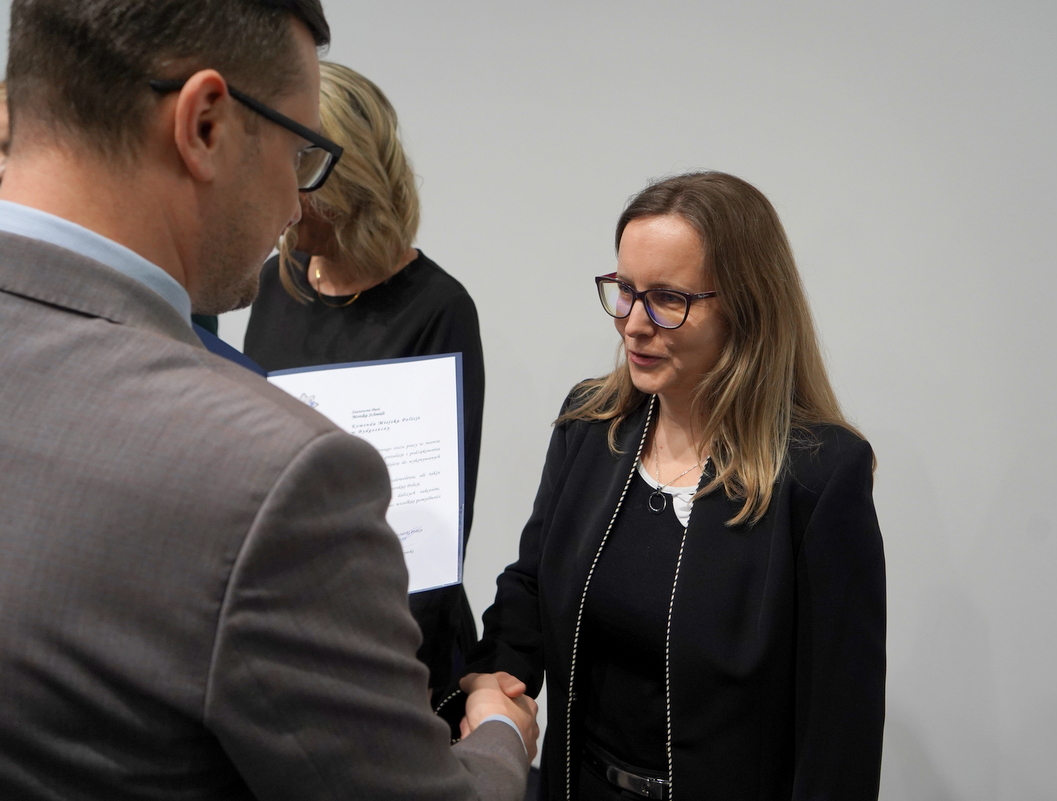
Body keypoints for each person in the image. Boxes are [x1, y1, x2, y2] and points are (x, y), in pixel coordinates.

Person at [0, 1, 536, 799]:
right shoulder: (283, 480)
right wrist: (500, 734)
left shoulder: (432, 308)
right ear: (205, 126)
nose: (293, 204)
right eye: (299, 152)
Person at [458, 172, 886, 800]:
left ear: (746, 306)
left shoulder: (819, 476)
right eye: (625, 291)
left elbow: (838, 732)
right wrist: (494, 679)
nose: (634, 323)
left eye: (667, 299)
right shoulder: (591, 425)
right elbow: (532, 582)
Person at [244, 62, 485, 701]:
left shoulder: (438, 309)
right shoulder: (275, 284)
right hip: (285, 627)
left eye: (301, 170)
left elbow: (436, 529)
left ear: (348, 179)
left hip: (394, 641)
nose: (283, 195)